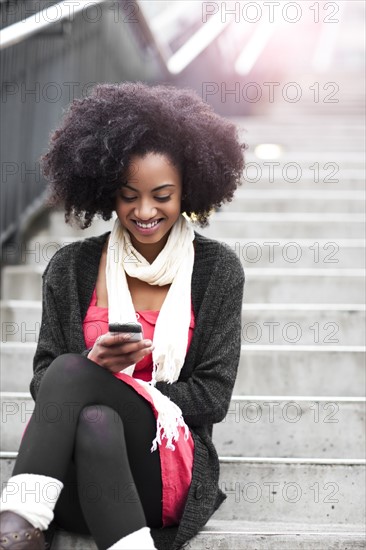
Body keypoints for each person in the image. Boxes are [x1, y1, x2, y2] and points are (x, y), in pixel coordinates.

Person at [0, 81, 246, 550]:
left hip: (165, 470)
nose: (145, 210)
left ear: (189, 191)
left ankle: (15, 525)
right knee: (92, 414)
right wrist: (98, 372)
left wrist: (120, 388)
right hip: (74, 476)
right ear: (107, 191)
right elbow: (43, 382)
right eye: (129, 195)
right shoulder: (71, 267)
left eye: (163, 195)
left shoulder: (217, 270)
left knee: (82, 380)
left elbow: (212, 397)